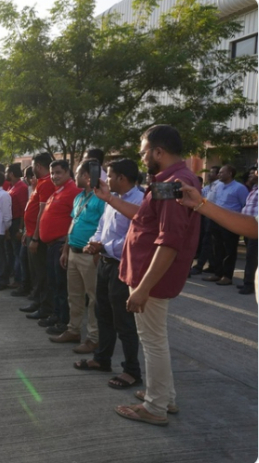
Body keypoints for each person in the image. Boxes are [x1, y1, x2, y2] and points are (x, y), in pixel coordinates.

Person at [95, 124, 201, 427]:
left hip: (150, 277)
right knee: (157, 338)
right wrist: (110, 199)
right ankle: (164, 396)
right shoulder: (167, 180)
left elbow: (169, 241)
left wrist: (143, 287)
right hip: (145, 274)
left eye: (144, 152)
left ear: (158, 151)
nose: (142, 158)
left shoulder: (176, 183)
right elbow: (145, 219)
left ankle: (156, 407)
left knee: (152, 341)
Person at [74, 159, 144, 391]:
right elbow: (102, 227)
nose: (106, 179)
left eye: (111, 176)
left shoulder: (139, 201)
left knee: (123, 321)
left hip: (122, 266)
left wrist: (105, 246)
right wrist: (95, 242)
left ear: (122, 178)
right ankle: (102, 359)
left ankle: (131, 370)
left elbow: (135, 239)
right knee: (102, 312)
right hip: (105, 263)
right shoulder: (110, 199)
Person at [50, 160, 105, 354]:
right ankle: (73, 330)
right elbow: (72, 224)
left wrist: (99, 252)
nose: (76, 177)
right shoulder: (79, 197)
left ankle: (93, 338)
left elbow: (105, 228)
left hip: (89, 256)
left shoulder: (101, 198)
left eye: (78, 173)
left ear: (87, 176)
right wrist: (65, 250)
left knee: (93, 299)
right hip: (73, 252)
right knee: (74, 296)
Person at [36, 160, 81, 334]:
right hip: (51, 246)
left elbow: (75, 221)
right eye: (52, 173)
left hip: (61, 245)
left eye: (58, 172)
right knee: (54, 283)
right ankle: (56, 315)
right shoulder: (58, 191)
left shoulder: (74, 192)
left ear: (68, 172)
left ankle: (64, 321)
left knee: (62, 286)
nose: (54, 176)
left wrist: (66, 246)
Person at [22, 153, 57, 317]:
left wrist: (35, 237)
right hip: (31, 233)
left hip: (39, 236)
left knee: (42, 273)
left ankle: (45, 307)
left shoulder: (47, 183)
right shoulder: (41, 183)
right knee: (35, 271)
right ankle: (37, 301)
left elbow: (42, 213)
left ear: (38, 166)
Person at [203, 164, 248, 286]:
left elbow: (245, 205)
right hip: (216, 221)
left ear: (230, 174)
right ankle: (218, 273)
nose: (219, 174)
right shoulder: (217, 185)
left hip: (230, 223)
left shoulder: (239, 188)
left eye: (222, 172)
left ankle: (227, 276)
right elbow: (211, 200)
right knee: (217, 248)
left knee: (229, 250)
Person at [190, 166, 221, 275]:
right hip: (205, 216)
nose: (209, 174)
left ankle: (199, 266)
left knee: (207, 242)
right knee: (207, 241)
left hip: (214, 217)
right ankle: (212, 265)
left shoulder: (219, 186)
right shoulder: (210, 186)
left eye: (212, 173)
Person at [5, 163, 29, 293]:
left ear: (12, 174)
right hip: (10, 222)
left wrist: (20, 229)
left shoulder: (21, 187)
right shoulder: (11, 186)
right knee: (11, 252)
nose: (5, 175)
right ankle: (14, 276)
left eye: (7, 172)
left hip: (17, 223)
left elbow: (23, 210)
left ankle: (19, 280)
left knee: (17, 253)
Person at [238, 166, 257, 295]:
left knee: (252, 257)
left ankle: (249, 284)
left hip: (256, 228)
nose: (253, 174)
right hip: (249, 227)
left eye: (255, 172)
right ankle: (248, 281)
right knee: (250, 256)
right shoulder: (254, 189)